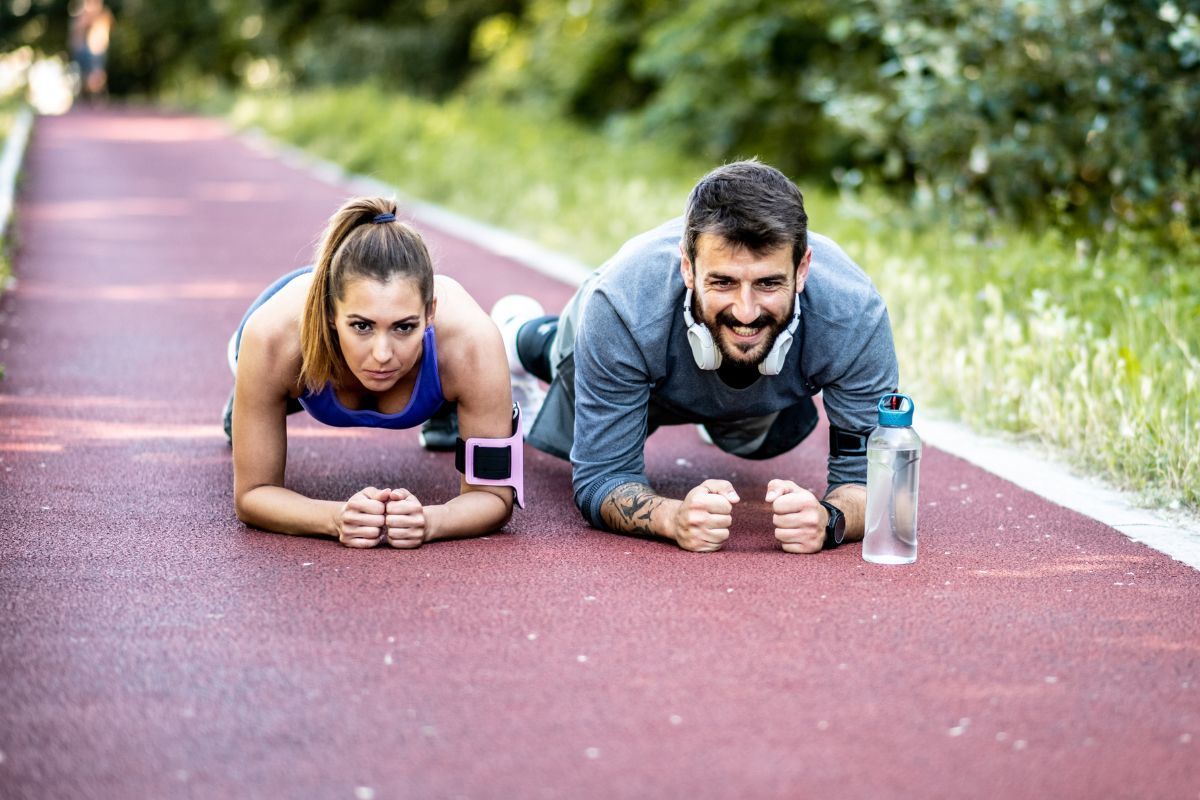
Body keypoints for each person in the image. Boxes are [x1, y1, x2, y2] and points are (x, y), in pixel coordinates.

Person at [493, 160, 898, 553]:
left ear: (803, 269)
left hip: (741, 376)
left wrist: (830, 519)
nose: (746, 310)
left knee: (766, 441)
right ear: (687, 269)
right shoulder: (622, 305)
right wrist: (672, 518)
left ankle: (717, 407)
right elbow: (601, 478)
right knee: (557, 360)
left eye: (769, 283)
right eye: (723, 282)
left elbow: (874, 484)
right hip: (629, 346)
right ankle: (516, 335)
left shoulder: (854, 314)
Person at [225, 197, 522, 548]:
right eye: (362, 326)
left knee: (463, 376)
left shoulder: (471, 343)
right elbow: (253, 495)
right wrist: (333, 518)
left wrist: (432, 521)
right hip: (301, 354)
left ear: (430, 314)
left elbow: (494, 498)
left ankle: (447, 405)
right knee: (249, 388)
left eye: (404, 327)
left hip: (437, 365)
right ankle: (255, 398)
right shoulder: (275, 337)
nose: (382, 355)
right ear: (332, 315)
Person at [68, 0, 113, 101]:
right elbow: (75, 38)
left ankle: (96, 93)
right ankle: (88, 94)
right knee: (85, 72)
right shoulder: (80, 16)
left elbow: (102, 37)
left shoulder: (103, 16)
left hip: (97, 50)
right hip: (83, 50)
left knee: (96, 70)